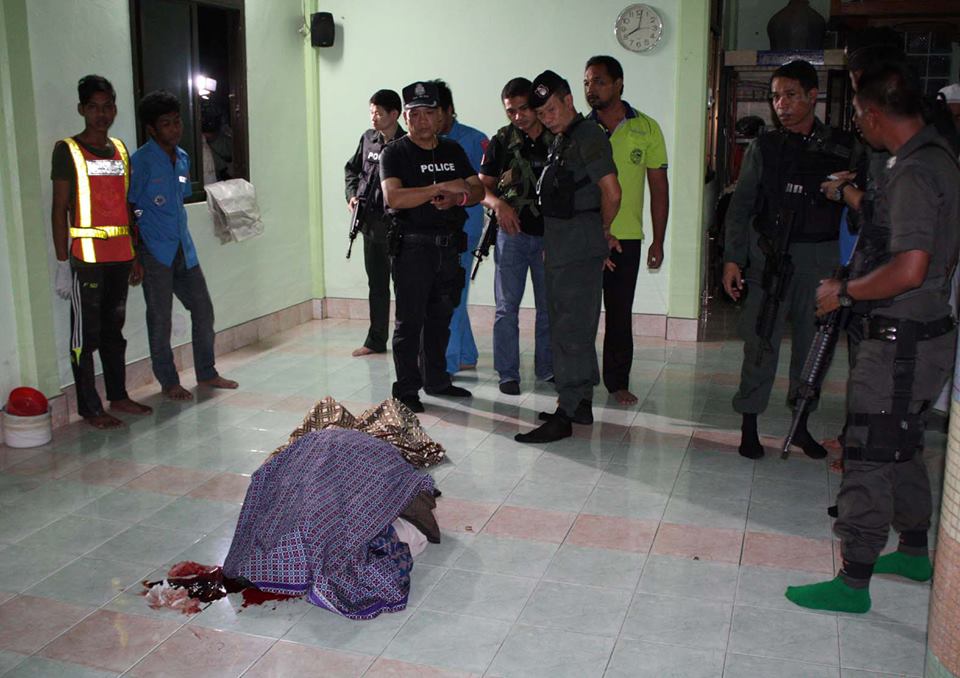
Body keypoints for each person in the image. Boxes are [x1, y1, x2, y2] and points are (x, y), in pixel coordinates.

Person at [786, 62, 960, 614]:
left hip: (900, 339)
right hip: (921, 333)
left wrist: (845, 292)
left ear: (876, 113)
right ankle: (912, 550)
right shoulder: (934, 158)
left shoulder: (915, 171)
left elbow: (909, 268)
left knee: (868, 450)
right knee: (901, 442)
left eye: (859, 114)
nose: (858, 124)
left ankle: (853, 581)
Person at [722, 60, 853, 460]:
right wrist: (733, 259)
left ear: (813, 96)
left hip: (820, 260)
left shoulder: (843, 146)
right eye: (776, 96)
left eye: (790, 95)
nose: (781, 104)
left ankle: (801, 425)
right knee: (760, 341)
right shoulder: (764, 148)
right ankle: (749, 423)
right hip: (770, 257)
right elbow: (741, 207)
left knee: (812, 348)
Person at [515, 70, 621, 443]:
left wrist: (603, 231)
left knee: (569, 329)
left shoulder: (588, 135)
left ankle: (566, 413)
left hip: (577, 246)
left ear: (569, 100)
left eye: (551, 109)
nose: (547, 118)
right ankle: (580, 405)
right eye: (541, 113)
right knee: (570, 324)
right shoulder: (564, 139)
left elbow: (612, 191)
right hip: (564, 244)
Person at [50, 75, 152, 429]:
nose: (101, 114)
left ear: (115, 109)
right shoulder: (68, 151)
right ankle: (89, 407)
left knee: (114, 331)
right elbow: (59, 209)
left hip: (120, 256)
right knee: (85, 336)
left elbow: (126, 206)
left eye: (107, 106)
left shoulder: (121, 150)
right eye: (93, 107)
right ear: (81, 109)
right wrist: (62, 264)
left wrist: (135, 253)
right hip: (86, 259)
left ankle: (118, 395)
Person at [379, 81, 485, 413]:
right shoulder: (395, 153)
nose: (422, 120)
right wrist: (439, 188)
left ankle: (437, 380)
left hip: (448, 249)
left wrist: (458, 197)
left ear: (440, 115)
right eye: (415, 114)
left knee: (441, 318)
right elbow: (394, 197)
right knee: (409, 323)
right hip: (412, 250)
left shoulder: (453, 150)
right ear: (406, 118)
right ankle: (406, 389)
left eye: (428, 113)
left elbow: (478, 191)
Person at [128, 90, 238, 400]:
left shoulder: (184, 158)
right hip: (154, 251)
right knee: (160, 318)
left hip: (184, 249)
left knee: (203, 310)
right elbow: (129, 207)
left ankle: (207, 372)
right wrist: (134, 254)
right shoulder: (141, 162)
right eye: (166, 124)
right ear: (152, 128)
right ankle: (168, 381)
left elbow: (178, 202)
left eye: (177, 121)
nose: (175, 129)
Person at [584, 55, 669, 405]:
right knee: (582, 313)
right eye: (587, 82)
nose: (591, 89)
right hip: (586, 236)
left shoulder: (646, 128)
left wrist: (658, 240)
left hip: (627, 238)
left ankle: (617, 381)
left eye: (599, 81)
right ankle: (578, 380)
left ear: (619, 84)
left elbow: (659, 189)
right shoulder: (580, 130)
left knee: (619, 313)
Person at [478, 77, 554, 396]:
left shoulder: (556, 137)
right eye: (511, 111)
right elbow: (481, 187)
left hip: (550, 237)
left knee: (549, 308)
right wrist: (499, 205)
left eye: (524, 109)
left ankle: (547, 368)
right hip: (512, 236)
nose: (518, 116)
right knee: (506, 308)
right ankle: (507, 373)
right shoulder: (502, 140)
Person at [344, 89, 407, 357]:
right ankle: (376, 340)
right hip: (370, 226)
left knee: (404, 287)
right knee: (377, 285)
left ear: (394, 114)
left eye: (378, 113)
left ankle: (406, 342)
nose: (373, 117)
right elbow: (352, 170)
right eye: (371, 112)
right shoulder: (368, 139)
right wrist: (351, 195)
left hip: (399, 228)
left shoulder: (406, 144)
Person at [432, 79, 488, 375]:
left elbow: (485, 185)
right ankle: (466, 354)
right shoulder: (426, 143)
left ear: (449, 110)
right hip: (436, 228)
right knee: (453, 290)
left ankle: (448, 362)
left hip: (465, 225)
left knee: (452, 292)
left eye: (434, 113)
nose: (428, 120)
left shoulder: (473, 140)